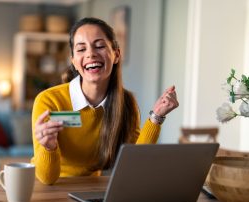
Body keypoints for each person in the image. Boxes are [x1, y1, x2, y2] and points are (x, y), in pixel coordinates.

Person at [31, 17, 179, 185]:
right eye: (81, 49)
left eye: (100, 46)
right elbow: (47, 179)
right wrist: (48, 147)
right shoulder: (49, 101)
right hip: (48, 189)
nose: (90, 54)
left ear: (116, 54)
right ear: (73, 60)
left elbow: (134, 165)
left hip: (92, 188)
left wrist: (156, 117)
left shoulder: (126, 103)